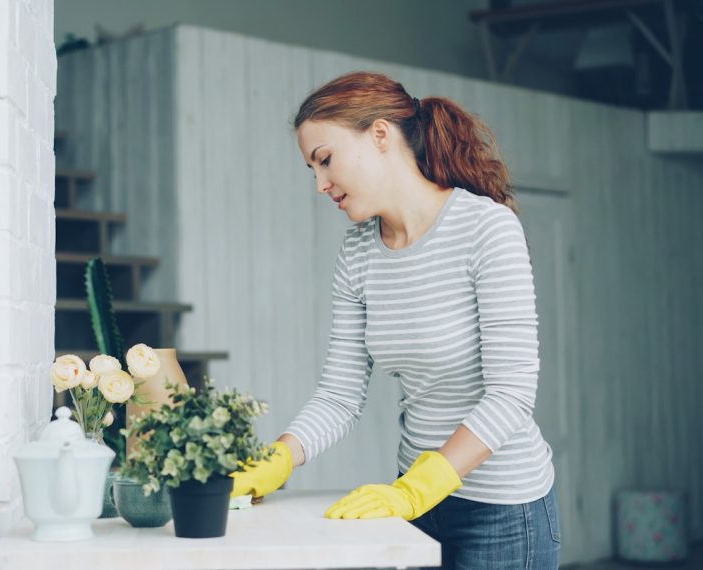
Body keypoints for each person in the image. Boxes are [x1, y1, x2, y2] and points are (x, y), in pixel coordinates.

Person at [230, 71, 561, 569]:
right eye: (311, 170)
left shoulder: (486, 227)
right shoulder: (359, 251)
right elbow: (340, 394)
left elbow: (511, 393)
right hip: (415, 505)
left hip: (504, 510)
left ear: (380, 135)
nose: (320, 185)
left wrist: (420, 487)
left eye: (325, 160)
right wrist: (280, 457)